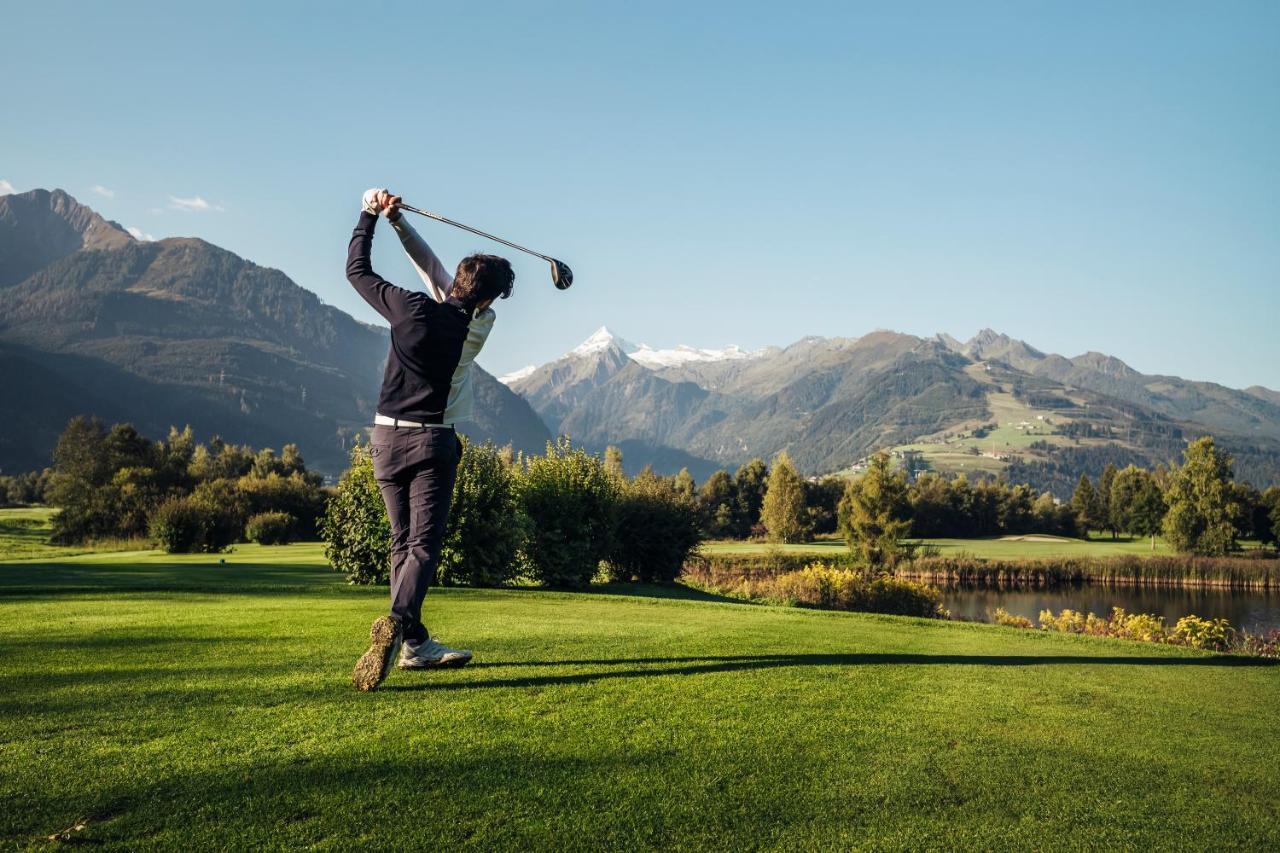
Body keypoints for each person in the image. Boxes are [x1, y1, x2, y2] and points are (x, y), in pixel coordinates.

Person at [346, 187, 514, 691]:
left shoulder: (409, 309)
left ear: (456, 281)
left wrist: (373, 215)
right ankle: (397, 622)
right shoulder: (479, 326)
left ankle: (416, 644)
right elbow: (441, 277)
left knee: (402, 542)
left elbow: (358, 270)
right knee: (423, 544)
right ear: (486, 298)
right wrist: (395, 221)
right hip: (433, 443)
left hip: (383, 440)